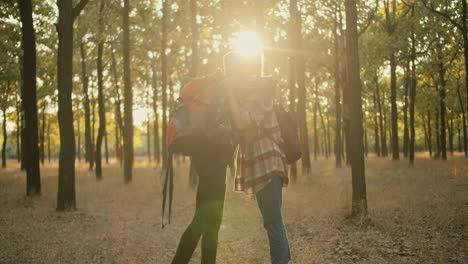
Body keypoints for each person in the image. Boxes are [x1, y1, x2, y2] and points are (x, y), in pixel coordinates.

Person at [224, 52, 291, 264]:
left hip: (268, 163)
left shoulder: (258, 95)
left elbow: (242, 122)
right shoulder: (255, 93)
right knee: (272, 221)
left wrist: (229, 94)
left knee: (273, 222)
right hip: (265, 164)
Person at [171, 73, 233, 264]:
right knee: (203, 224)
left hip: (208, 167)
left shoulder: (212, 98)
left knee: (209, 226)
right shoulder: (219, 98)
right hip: (213, 169)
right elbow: (216, 132)